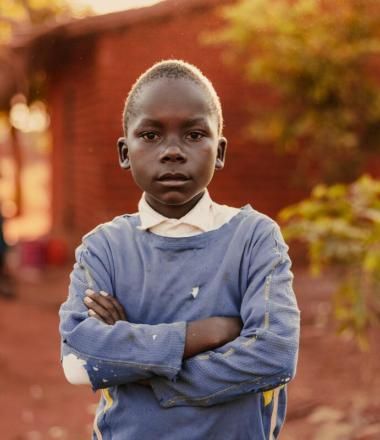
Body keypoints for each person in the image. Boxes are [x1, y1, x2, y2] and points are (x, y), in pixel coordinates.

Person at [59, 60, 300, 440]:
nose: (172, 151)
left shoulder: (254, 239)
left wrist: (138, 360)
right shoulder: (104, 248)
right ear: (125, 152)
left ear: (219, 151)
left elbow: (275, 354)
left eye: (193, 134)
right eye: (151, 135)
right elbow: (78, 360)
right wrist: (202, 334)